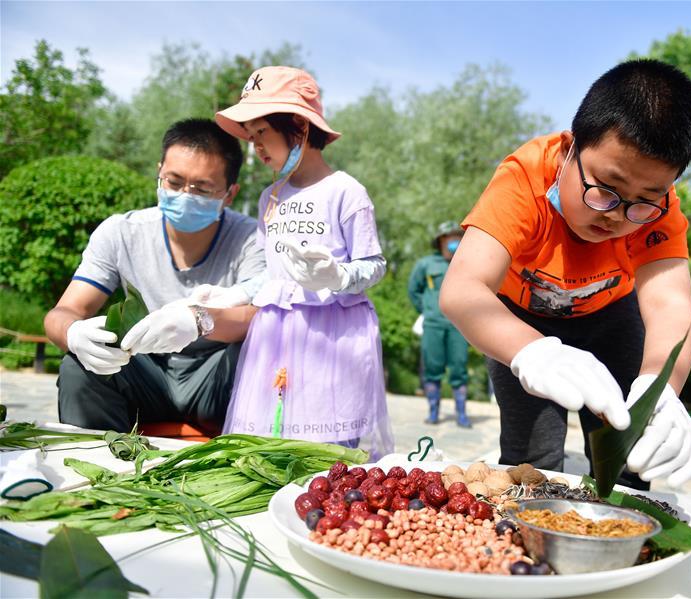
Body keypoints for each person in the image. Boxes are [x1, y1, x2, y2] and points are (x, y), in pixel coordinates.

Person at [440, 59, 691, 489]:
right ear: (569, 149)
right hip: (520, 322)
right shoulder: (525, 178)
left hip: (612, 319)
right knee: (532, 464)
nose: (618, 215)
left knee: (627, 456)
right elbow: (463, 289)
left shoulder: (661, 210)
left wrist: (662, 385)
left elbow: (671, 302)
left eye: (643, 201)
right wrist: (532, 351)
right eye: (605, 188)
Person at [214, 66, 394, 458]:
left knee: (325, 450)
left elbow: (374, 263)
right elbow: (269, 274)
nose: (255, 146)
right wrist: (230, 294)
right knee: (270, 442)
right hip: (277, 333)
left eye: (261, 132)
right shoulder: (270, 198)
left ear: (299, 125)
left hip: (332, 336)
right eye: (250, 136)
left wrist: (337, 274)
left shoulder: (346, 191)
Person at [44, 118, 266, 436]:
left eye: (202, 188)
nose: (185, 195)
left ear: (230, 193)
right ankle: (98, 471)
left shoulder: (252, 239)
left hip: (215, 375)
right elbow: (64, 312)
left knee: (258, 353)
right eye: (173, 182)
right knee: (78, 366)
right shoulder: (120, 232)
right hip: (145, 370)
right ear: (159, 171)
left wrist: (199, 320)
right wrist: (73, 333)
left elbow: (258, 317)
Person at [408, 222, 472, 428]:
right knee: (432, 367)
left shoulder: (468, 263)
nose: (454, 240)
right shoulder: (426, 264)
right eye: (449, 236)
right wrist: (427, 310)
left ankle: (461, 413)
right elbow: (414, 290)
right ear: (441, 240)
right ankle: (433, 410)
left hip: (459, 325)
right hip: (434, 324)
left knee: (459, 367)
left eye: (457, 236)